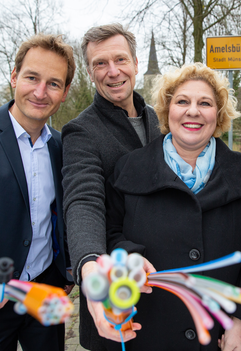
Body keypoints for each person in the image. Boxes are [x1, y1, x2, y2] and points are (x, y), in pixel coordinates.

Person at [104, 62, 241, 351]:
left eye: (205, 103)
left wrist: (240, 322)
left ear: (218, 114)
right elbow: (110, 233)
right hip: (148, 332)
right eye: (182, 101)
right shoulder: (129, 169)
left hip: (223, 335)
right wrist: (129, 256)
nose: (193, 111)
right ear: (167, 110)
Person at [61, 23, 160, 350]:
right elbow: (83, 201)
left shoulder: (160, 120)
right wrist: (90, 268)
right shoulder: (81, 132)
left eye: (120, 60)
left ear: (134, 63)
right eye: (100, 63)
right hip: (115, 297)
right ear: (90, 72)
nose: (112, 71)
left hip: (166, 287)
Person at [0, 34, 75, 351]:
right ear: (15, 77)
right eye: (32, 77)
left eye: (54, 83)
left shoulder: (63, 147)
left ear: (65, 92)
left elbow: (66, 211)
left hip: (46, 290)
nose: (41, 92)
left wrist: (68, 270)